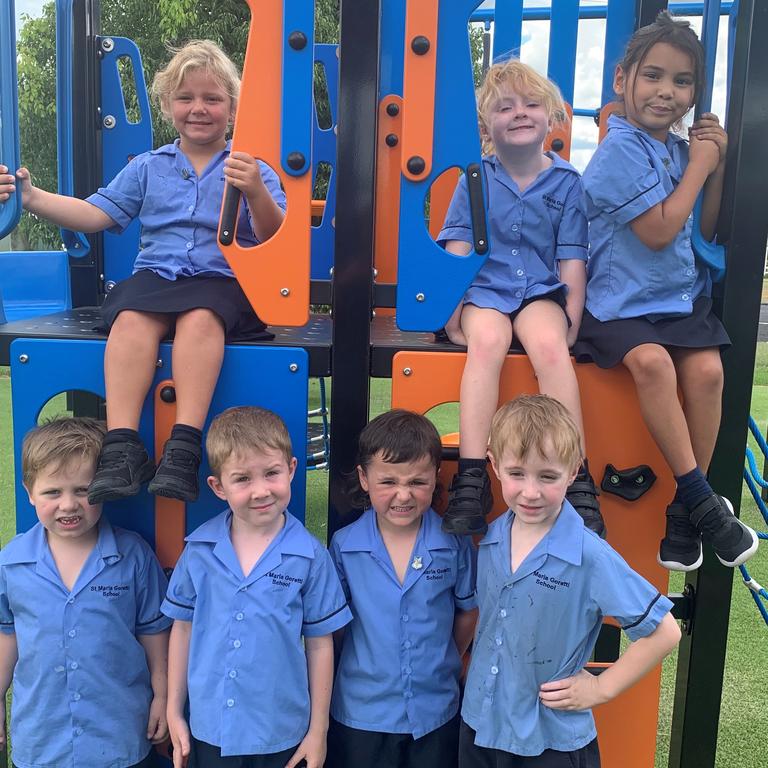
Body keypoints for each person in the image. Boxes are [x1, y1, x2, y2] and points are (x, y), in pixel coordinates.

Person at [0, 40, 286, 506]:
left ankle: (184, 446)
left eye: (212, 99)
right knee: (130, 320)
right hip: (157, 278)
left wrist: (254, 190)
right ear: (168, 105)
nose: (198, 108)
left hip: (222, 281)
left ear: (232, 109)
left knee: (201, 317)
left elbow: (273, 234)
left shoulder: (251, 167)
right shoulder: (149, 168)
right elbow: (95, 214)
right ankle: (122, 446)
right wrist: (31, 198)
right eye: (186, 98)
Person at [575, 11, 757, 571]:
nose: (667, 92)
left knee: (706, 373)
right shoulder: (618, 151)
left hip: (677, 301)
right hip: (620, 305)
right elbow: (656, 233)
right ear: (620, 79)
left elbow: (700, 232)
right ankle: (703, 499)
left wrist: (715, 164)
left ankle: (684, 511)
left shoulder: (677, 151)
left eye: (682, 82)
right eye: (652, 76)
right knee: (653, 364)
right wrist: (703, 164)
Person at [459, 395, 681, 768]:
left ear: (574, 471)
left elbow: (665, 632)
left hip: (550, 740)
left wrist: (601, 687)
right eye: (517, 474)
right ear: (493, 466)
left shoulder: (589, 556)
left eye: (548, 476)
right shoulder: (493, 537)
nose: (531, 492)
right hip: (480, 725)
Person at [437, 58, 602, 539]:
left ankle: (578, 478)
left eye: (531, 104)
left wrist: (571, 319)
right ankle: (472, 478)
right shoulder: (475, 176)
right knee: (486, 343)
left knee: (550, 348)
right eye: (505, 107)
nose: (519, 113)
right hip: (485, 288)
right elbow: (459, 246)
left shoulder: (568, 183)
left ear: (551, 118)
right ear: (488, 123)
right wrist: (451, 311)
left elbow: (572, 256)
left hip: (539, 291)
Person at [162, 406, 352, 768]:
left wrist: (318, 732)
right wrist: (174, 711)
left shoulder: (311, 556)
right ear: (218, 487)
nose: (261, 490)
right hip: (211, 729)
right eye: (243, 479)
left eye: (271, 473)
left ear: (292, 469)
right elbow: (182, 630)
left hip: (281, 732)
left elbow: (320, 645)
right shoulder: (199, 551)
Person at [0, 417, 171, 768]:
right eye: (52, 492)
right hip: (42, 742)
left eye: (83, 490)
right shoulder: (11, 562)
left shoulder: (133, 555)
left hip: (120, 737)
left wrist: (163, 696)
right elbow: (7, 634)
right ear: (29, 491)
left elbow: (154, 631)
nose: (68, 505)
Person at [326, 410, 477, 768]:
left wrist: (445, 657)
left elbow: (468, 610)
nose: (403, 495)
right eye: (388, 481)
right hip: (361, 714)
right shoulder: (344, 547)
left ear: (436, 476)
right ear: (364, 478)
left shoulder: (454, 543)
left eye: (417, 482)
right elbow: (335, 629)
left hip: (435, 712)